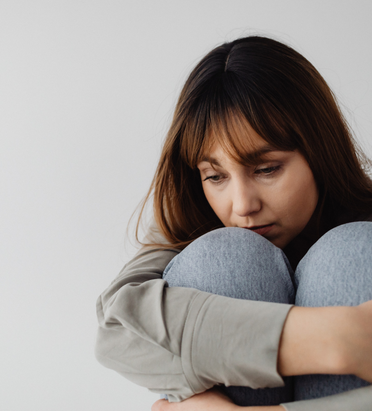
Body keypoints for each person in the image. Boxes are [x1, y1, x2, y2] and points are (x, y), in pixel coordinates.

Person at [95, 36, 372, 411]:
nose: (242, 206)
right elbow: (117, 330)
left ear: (319, 151)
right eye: (215, 176)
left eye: (267, 169)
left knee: (353, 251)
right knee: (225, 257)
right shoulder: (192, 223)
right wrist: (339, 337)